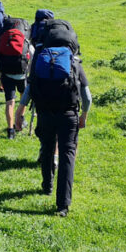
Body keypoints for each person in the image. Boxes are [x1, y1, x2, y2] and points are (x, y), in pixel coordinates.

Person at [14, 47, 91, 216]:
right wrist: (84, 115)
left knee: (47, 148)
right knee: (67, 155)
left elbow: (30, 88)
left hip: (45, 113)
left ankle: (47, 186)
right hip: (68, 114)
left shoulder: (42, 60)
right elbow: (86, 96)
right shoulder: (74, 63)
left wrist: (20, 110)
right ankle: (62, 205)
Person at [0, 16, 33, 140]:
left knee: (9, 102)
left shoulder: (4, 38)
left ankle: (10, 129)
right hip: (22, 74)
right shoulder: (25, 41)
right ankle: (19, 121)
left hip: (6, 74)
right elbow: (31, 58)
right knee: (23, 99)